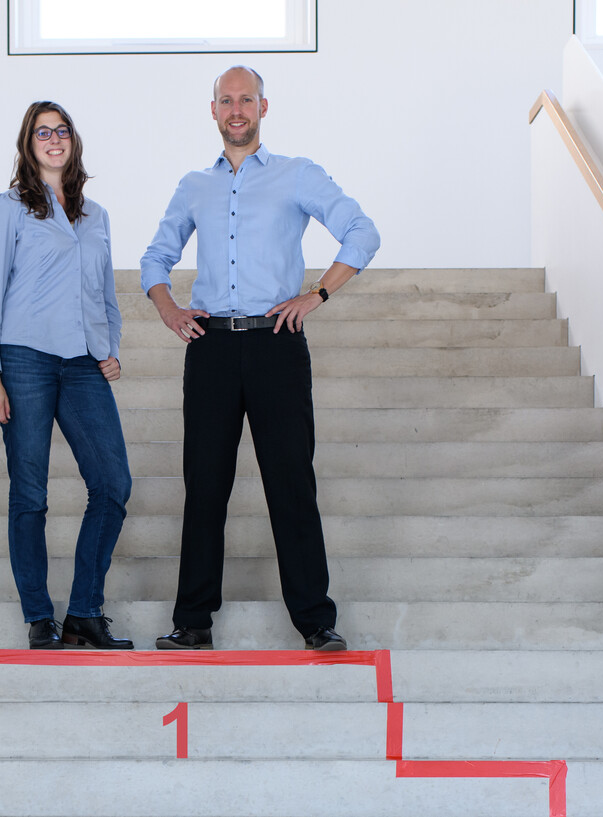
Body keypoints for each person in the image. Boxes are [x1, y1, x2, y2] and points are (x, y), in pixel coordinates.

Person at [141, 66, 380, 652]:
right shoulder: (194, 185)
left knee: (291, 483)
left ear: (263, 108)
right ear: (214, 110)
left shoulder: (298, 175)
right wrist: (170, 310)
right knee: (205, 487)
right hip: (212, 348)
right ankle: (193, 621)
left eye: (246, 98)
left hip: (276, 342)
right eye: (226, 100)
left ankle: (316, 621)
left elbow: (361, 231)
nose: (236, 109)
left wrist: (316, 294)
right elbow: (155, 258)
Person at [0, 101, 135, 651]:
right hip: (24, 360)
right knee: (31, 494)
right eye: (43, 132)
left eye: (62, 130)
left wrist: (109, 348)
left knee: (113, 485)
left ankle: (86, 611)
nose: (54, 139)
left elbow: (105, 295)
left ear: (73, 140)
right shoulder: (7, 208)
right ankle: (41, 617)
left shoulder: (97, 216)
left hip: (85, 363)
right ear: (28, 142)